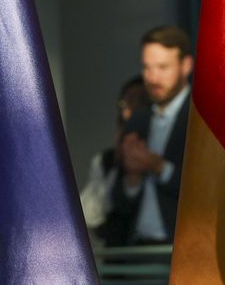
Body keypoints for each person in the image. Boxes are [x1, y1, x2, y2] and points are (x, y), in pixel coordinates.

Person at [112, 25, 193, 245]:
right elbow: (119, 201)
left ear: (186, 66)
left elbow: (208, 195)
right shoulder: (138, 119)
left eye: (162, 67)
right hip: (137, 250)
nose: (153, 77)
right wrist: (133, 177)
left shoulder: (201, 120)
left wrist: (158, 167)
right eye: (147, 68)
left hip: (184, 249)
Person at [80, 76, 148, 247]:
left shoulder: (166, 156)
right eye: (124, 104)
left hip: (157, 257)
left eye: (137, 103)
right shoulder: (106, 161)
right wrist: (117, 167)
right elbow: (90, 215)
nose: (128, 112)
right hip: (118, 260)